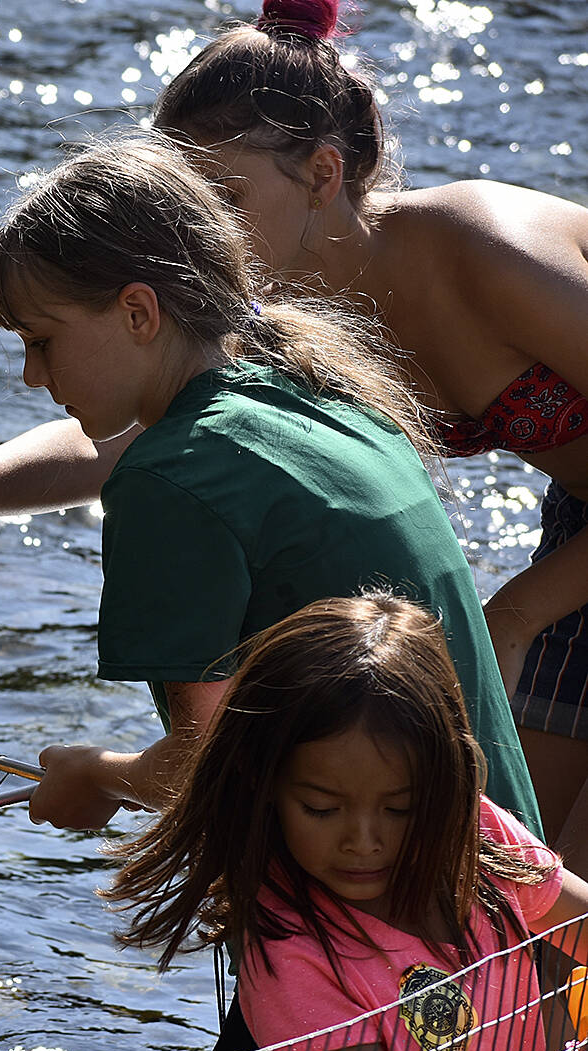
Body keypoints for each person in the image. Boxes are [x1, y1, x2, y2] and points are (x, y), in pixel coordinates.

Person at [0, 129, 543, 1051]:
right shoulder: (292, 377)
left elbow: (207, 759)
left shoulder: (172, 489)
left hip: (365, 909)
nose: (28, 371)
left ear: (139, 311)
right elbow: (125, 433)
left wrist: (96, 779)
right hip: (499, 872)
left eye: (42, 340)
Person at [153, 0, 588, 859]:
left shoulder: (486, 248)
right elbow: (144, 436)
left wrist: (512, 616)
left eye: (224, 198)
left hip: (563, 575)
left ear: (321, 173)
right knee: (526, 896)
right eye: (183, 207)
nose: (197, 235)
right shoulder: (284, 315)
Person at [105, 593, 588, 1051]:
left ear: (446, 787)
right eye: (322, 808)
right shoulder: (294, 960)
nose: (364, 841)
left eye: (401, 808)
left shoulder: (475, 838)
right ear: (267, 789)